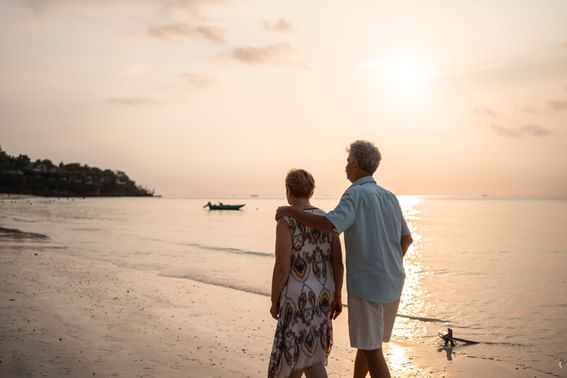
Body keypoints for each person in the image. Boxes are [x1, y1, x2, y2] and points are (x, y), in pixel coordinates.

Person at [276, 141, 413, 378]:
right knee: (368, 343)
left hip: (368, 284)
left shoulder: (355, 194)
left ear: (357, 165)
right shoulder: (389, 196)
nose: (346, 167)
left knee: (372, 350)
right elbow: (407, 239)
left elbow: (330, 224)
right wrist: (389, 262)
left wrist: (290, 211)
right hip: (393, 281)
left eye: (348, 162)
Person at [268, 169, 344, 378]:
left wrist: (274, 299)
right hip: (323, 295)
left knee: (291, 358)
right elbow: (337, 262)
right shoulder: (327, 220)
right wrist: (338, 294)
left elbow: (283, 267)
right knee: (313, 355)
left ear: (288, 190)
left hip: (297, 295)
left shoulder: (286, 221)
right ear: (311, 191)